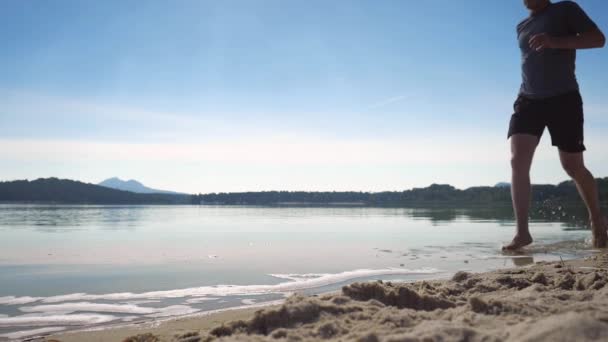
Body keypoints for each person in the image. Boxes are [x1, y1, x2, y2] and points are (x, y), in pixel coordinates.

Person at [505, 0, 606, 250]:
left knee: (572, 166)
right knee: (518, 160)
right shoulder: (522, 25)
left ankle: (596, 219)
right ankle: (522, 233)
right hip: (528, 100)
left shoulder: (565, 10)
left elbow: (598, 39)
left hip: (564, 98)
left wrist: (555, 41)